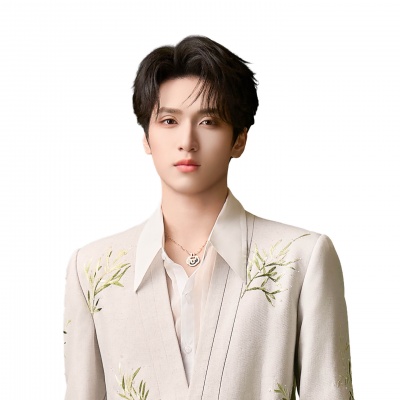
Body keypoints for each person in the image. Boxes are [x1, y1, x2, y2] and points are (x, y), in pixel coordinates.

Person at [64, 35, 354, 400]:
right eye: (169, 120)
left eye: (208, 121)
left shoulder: (301, 259)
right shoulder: (93, 269)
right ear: (147, 138)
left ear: (239, 139)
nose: (187, 140)